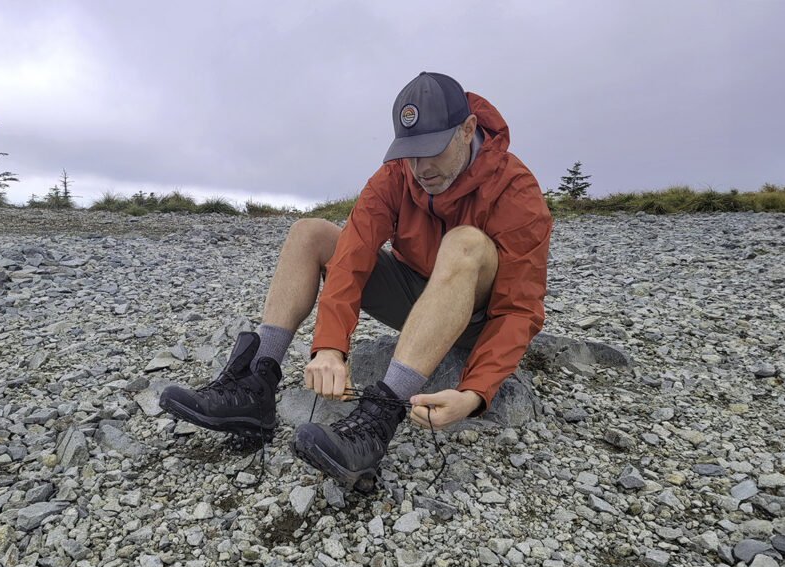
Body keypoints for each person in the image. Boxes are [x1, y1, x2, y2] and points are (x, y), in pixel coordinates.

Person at [160, 72, 551, 492]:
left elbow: (519, 310)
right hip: (414, 298)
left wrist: (474, 393)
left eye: (432, 151)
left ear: (467, 130)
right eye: (410, 153)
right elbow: (351, 257)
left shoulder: (516, 190)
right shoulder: (397, 175)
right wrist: (329, 348)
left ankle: (378, 420)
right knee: (310, 233)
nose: (420, 169)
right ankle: (256, 383)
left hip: (473, 316)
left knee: (465, 243)